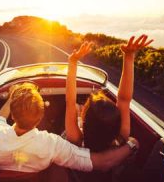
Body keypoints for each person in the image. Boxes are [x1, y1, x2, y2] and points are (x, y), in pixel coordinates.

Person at [0, 82, 139, 174]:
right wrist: (131, 144)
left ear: (12, 114)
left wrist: (12, 98)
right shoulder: (52, 145)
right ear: (40, 118)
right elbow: (101, 162)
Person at [65, 35, 153, 180]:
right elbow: (124, 100)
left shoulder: (76, 141)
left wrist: (73, 62)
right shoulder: (122, 138)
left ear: (85, 119)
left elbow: (70, 102)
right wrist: (129, 57)